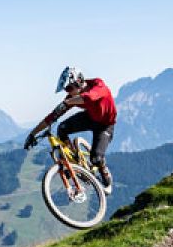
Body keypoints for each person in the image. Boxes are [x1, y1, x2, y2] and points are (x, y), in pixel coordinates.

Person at [24, 66, 117, 194]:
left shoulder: (98, 85)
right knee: (62, 128)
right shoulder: (71, 98)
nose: (68, 92)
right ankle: (73, 161)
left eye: (68, 88)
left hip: (105, 125)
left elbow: (89, 98)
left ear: (78, 81)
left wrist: (68, 102)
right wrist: (33, 134)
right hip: (89, 117)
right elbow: (52, 117)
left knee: (96, 158)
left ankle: (104, 170)